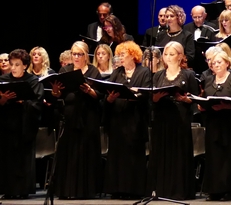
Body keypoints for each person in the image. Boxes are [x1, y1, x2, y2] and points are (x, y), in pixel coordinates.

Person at [50, 41, 102, 199]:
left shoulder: (93, 71)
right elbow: (59, 95)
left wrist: (90, 91)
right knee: (68, 153)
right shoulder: (65, 70)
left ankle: (85, 191)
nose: (77, 57)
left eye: (80, 54)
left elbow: (99, 96)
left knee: (85, 152)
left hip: (88, 117)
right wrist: (55, 92)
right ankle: (66, 191)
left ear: (86, 56)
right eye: (74, 54)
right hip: (70, 116)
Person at [147, 41, 198, 200]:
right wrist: (154, 99)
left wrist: (185, 99)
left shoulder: (188, 75)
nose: (168, 57)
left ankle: (180, 190)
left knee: (179, 155)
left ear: (180, 56)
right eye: (166, 54)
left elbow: (195, 99)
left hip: (180, 120)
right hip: (162, 120)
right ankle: (162, 190)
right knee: (162, 154)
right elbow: (151, 101)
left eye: (172, 54)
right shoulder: (158, 75)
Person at [103, 41, 151, 199]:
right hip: (118, 120)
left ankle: (134, 190)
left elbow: (146, 94)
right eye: (119, 55)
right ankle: (117, 189)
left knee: (133, 156)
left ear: (133, 55)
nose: (120, 57)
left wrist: (135, 95)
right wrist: (109, 99)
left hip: (135, 121)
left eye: (123, 54)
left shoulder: (143, 72)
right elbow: (108, 92)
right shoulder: (117, 73)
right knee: (117, 155)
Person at [199, 49, 231, 201]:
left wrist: (226, 106)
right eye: (213, 63)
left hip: (229, 124)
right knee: (213, 157)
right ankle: (213, 190)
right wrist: (202, 105)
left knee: (227, 157)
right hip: (213, 124)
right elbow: (205, 98)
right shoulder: (208, 80)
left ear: (227, 63)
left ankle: (226, 190)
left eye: (219, 62)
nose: (216, 65)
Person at [0, 49, 44, 199]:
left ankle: (23, 190)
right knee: (8, 158)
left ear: (24, 65)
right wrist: (3, 100)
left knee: (23, 159)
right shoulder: (3, 80)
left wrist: (23, 101)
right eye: (12, 64)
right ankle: (8, 190)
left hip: (25, 126)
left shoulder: (32, 81)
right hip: (7, 125)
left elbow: (37, 103)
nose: (13, 67)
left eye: (17, 64)